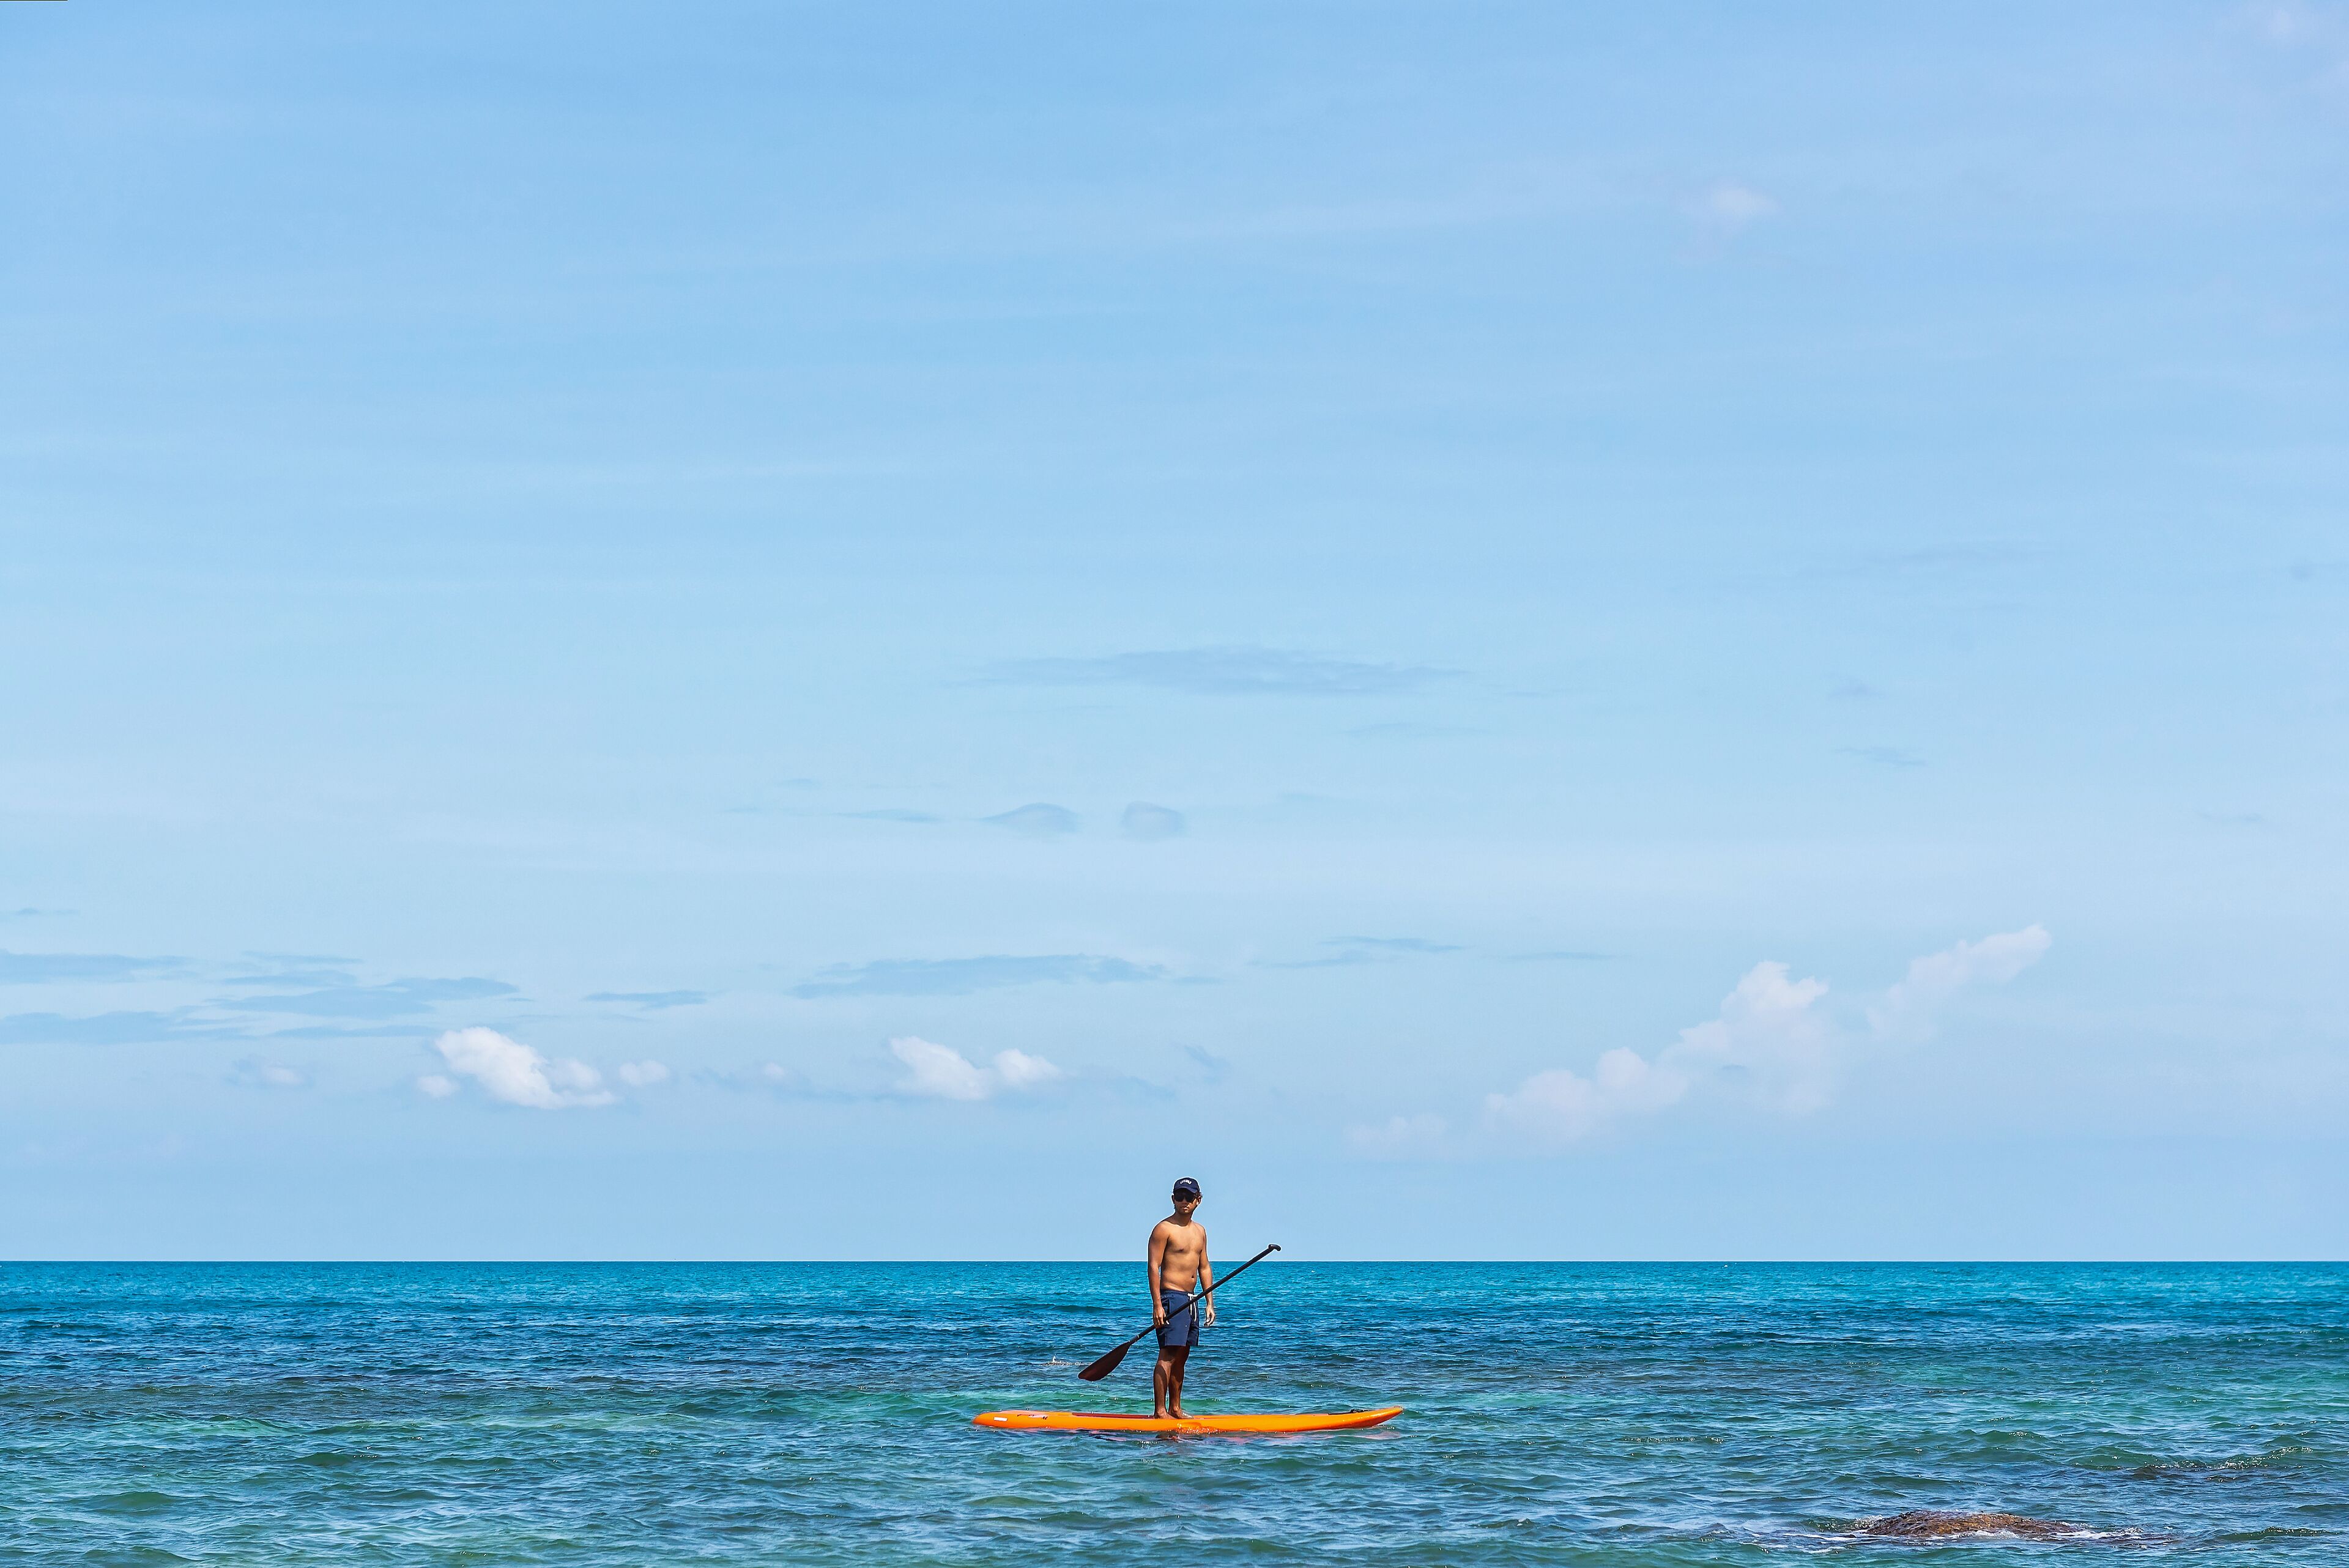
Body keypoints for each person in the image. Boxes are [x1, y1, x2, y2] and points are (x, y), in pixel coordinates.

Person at [1146, 1177, 1214, 1419]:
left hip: (1193, 1300)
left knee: (1182, 1356)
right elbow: (1153, 1267)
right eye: (1180, 1197)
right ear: (1173, 1199)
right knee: (1168, 1354)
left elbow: (1204, 1267)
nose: (1184, 1201)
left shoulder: (1200, 1232)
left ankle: (1175, 1408)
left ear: (1198, 1201)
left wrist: (1209, 1302)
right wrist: (1157, 1304)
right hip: (1171, 1297)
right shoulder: (1164, 1229)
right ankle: (1160, 1412)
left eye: (1189, 1197)